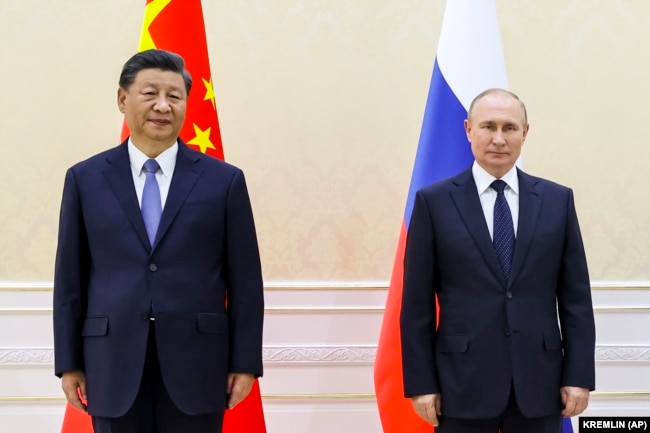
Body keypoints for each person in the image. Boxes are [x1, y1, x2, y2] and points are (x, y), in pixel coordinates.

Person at [53, 49, 264, 433]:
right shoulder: (85, 179)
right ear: (122, 99)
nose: (163, 106)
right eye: (150, 93)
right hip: (111, 361)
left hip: (199, 364)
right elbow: (70, 279)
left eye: (175, 96)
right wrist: (69, 362)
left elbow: (246, 282)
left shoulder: (224, 181)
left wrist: (245, 362)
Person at [400, 88, 595, 433]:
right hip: (460, 385)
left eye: (509, 127)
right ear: (468, 130)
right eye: (488, 126)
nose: (499, 139)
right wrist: (421, 383)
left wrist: (578, 376)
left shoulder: (557, 201)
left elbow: (575, 300)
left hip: (540, 385)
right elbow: (416, 305)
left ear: (525, 132)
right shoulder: (434, 203)